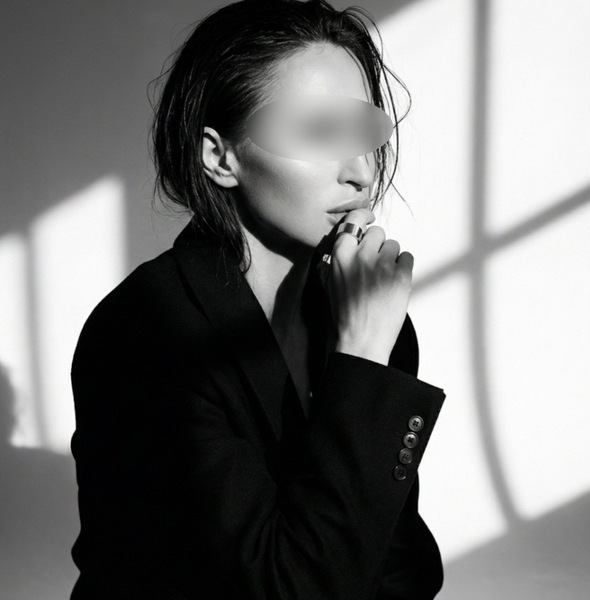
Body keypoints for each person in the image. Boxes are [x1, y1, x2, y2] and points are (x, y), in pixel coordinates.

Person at [69, 1, 446, 598]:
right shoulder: (146, 334)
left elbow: (399, 565)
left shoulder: (366, 316)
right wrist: (364, 361)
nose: (360, 171)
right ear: (220, 157)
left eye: (363, 133)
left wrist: (368, 350)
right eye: (318, 132)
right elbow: (284, 587)